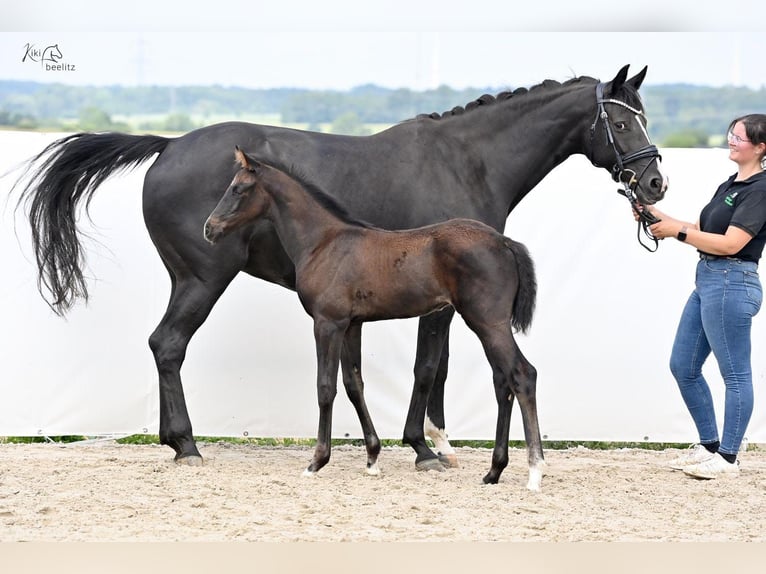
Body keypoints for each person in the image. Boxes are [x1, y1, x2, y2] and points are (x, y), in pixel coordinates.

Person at [639, 113, 766, 479]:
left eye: (739, 137)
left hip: (731, 281)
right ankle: (710, 446)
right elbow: (703, 229)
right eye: (731, 134)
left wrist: (676, 235)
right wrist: (654, 214)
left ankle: (727, 459)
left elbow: (731, 243)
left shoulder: (761, 191)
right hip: (709, 280)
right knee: (684, 365)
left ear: (760, 147)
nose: (731, 140)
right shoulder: (732, 184)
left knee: (736, 376)